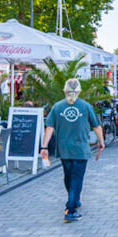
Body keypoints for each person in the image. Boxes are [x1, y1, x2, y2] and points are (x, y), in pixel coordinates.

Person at [41, 78, 105, 223]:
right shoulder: (86, 106)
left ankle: (74, 200)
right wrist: (101, 142)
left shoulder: (57, 107)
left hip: (64, 149)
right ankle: (70, 209)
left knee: (69, 177)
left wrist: (44, 146)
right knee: (76, 178)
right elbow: (96, 126)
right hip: (81, 149)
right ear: (80, 91)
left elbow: (49, 127)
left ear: (65, 91)